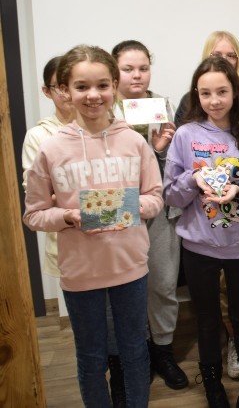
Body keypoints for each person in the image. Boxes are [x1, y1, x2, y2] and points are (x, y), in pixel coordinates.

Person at [24, 45, 163, 408]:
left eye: (102, 85)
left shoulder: (134, 141)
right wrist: (66, 217)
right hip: (80, 272)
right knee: (90, 358)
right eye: (81, 86)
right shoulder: (51, 149)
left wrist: (131, 206)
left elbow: (155, 197)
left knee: (134, 351)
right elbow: (34, 214)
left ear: (114, 86)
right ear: (64, 90)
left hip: (129, 267)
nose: (93, 95)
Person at [163, 56, 239, 407]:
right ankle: (213, 387)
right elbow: (170, 194)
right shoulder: (186, 135)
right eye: (205, 93)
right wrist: (193, 179)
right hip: (199, 246)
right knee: (206, 321)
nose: (214, 100)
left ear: (235, 92)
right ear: (196, 95)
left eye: (222, 91)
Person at [110, 40, 188, 391]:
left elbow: (173, 165)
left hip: (162, 209)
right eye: (128, 69)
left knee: (163, 283)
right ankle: (136, 353)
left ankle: (163, 351)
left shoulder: (162, 108)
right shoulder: (104, 111)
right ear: (115, 72)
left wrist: (161, 149)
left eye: (143, 68)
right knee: (127, 288)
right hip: (120, 209)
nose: (137, 75)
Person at [21, 55, 74, 278]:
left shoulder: (104, 128)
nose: (68, 93)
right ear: (46, 91)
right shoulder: (39, 135)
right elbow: (37, 196)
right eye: (60, 87)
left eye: (74, 84)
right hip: (67, 239)